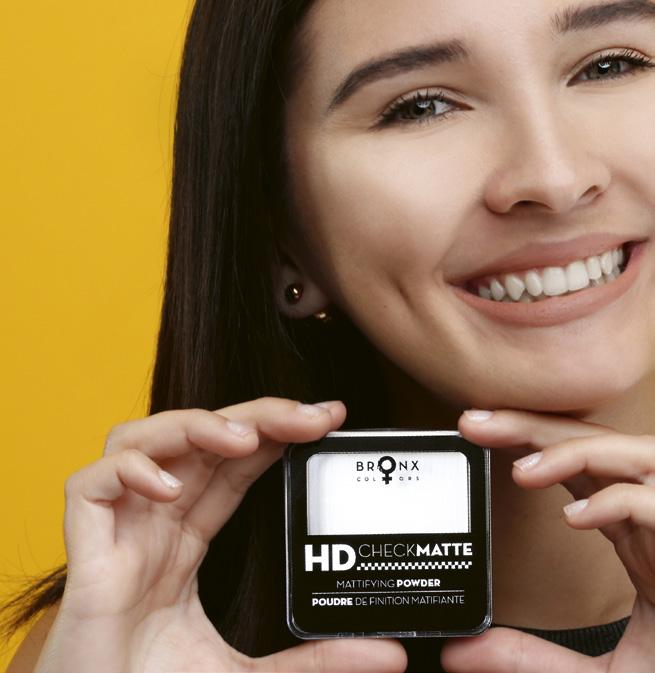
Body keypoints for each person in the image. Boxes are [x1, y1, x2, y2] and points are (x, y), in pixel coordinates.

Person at [3, 0, 655, 670]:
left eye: (611, 65)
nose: (553, 179)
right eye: (421, 107)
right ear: (282, 237)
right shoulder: (113, 648)